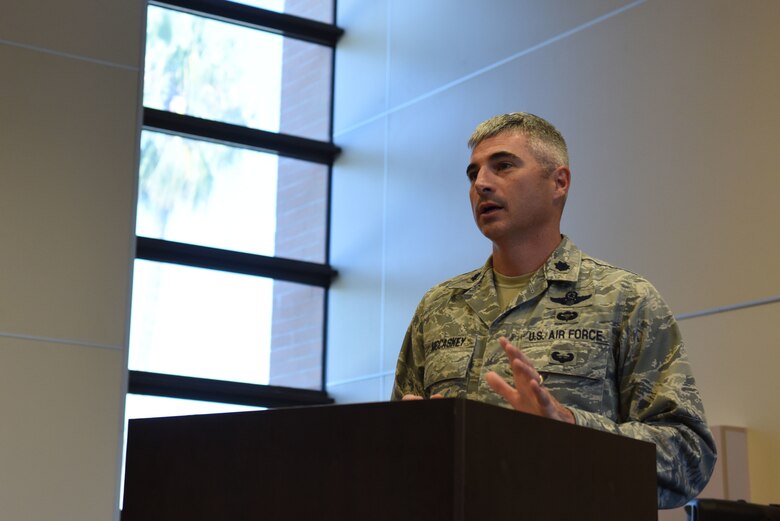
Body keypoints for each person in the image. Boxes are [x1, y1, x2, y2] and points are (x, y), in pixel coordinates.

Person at [391, 112, 716, 509]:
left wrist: (570, 426)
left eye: (503, 166)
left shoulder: (624, 300)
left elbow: (690, 459)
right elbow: (393, 458)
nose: (481, 184)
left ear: (558, 182)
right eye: (473, 173)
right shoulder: (439, 307)